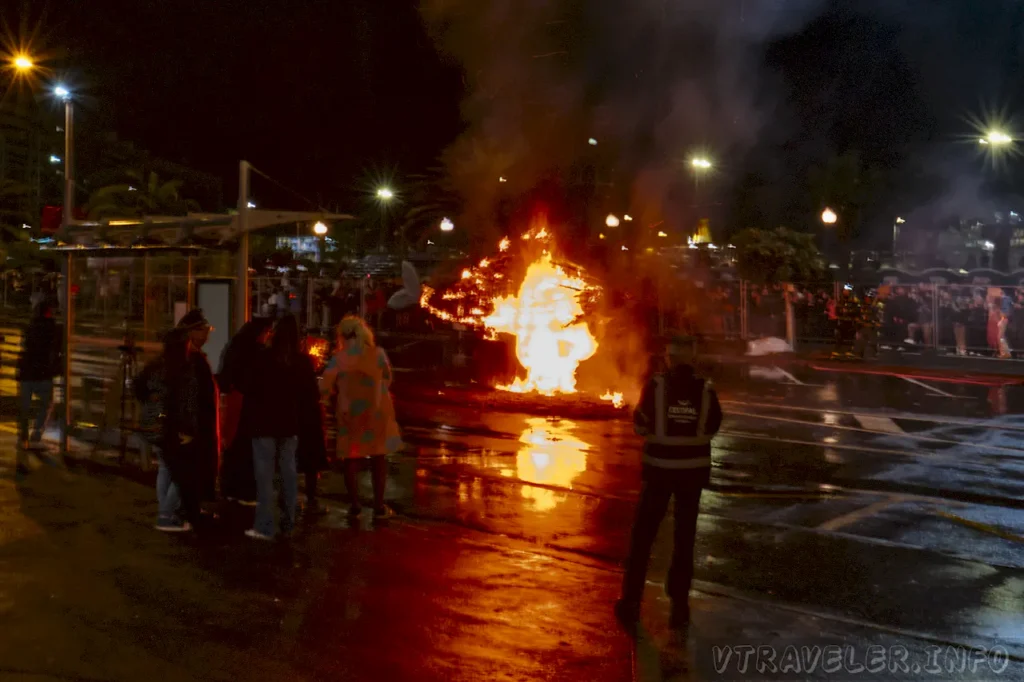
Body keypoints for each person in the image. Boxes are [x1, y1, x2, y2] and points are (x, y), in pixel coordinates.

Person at [615, 336, 723, 636]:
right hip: (693, 477)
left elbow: (640, 424)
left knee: (643, 537)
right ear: (693, 358)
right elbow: (714, 426)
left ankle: (631, 601)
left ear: (668, 359)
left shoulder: (656, 387)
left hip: (659, 474)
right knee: (684, 539)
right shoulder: (706, 390)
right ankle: (679, 606)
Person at [241, 315, 319, 540]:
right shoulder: (301, 362)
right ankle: (288, 521)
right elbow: (310, 394)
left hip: (264, 423)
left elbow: (248, 387)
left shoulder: (263, 358)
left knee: (265, 476)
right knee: (289, 473)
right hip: (289, 423)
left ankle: (264, 525)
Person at [321, 315, 403, 519]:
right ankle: (378, 505)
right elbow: (388, 377)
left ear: (341, 336)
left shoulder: (339, 358)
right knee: (378, 457)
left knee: (350, 457)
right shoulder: (377, 354)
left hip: (350, 414)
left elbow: (325, 386)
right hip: (377, 411)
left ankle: (355, 504)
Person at [135, 329, 194, 531]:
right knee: (182, 472)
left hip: (155, 426)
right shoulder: (182, 370)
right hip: (172, 428)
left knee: (165, 468)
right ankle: (166, 515)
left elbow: (138, 387)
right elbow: (185, 403)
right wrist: (188, 429)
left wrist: (150, 403)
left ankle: (166, 510)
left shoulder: (155, 367)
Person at [218, 318, 274, 504]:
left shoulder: (234, 347)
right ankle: (245, 491)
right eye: (267, 332)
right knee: (248, 448)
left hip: (234, 400)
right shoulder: (257, 352)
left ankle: (229, 487)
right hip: (249, 403)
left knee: (233, 445)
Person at [175, 309, 220, 505]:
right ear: (191, 332)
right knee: (197, 464)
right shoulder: (191, 360)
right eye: (204, 330)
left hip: (200, 422)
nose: (207, 334)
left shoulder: (193, 357)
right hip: (197, 424)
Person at [16, 301, 61, 466]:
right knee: (46, 403)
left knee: (25, 406)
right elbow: (56, 349)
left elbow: (25, 346)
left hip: (27, 372)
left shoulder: (30, 326)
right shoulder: (53, 328)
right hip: (43, 373)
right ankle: (36, 433)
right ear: (49, 312)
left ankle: (23, 435)